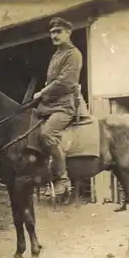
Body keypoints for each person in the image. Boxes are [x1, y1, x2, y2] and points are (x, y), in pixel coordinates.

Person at [32, 17, 84, 196]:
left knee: (47, 134)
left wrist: (42, 92)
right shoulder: (56, 54)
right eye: (52, 32)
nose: (54, 35)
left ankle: (62, 178)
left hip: (64, 106)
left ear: (68, 32)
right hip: (48, 105)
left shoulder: (73, 54)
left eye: (58, 32)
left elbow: (65, 82)